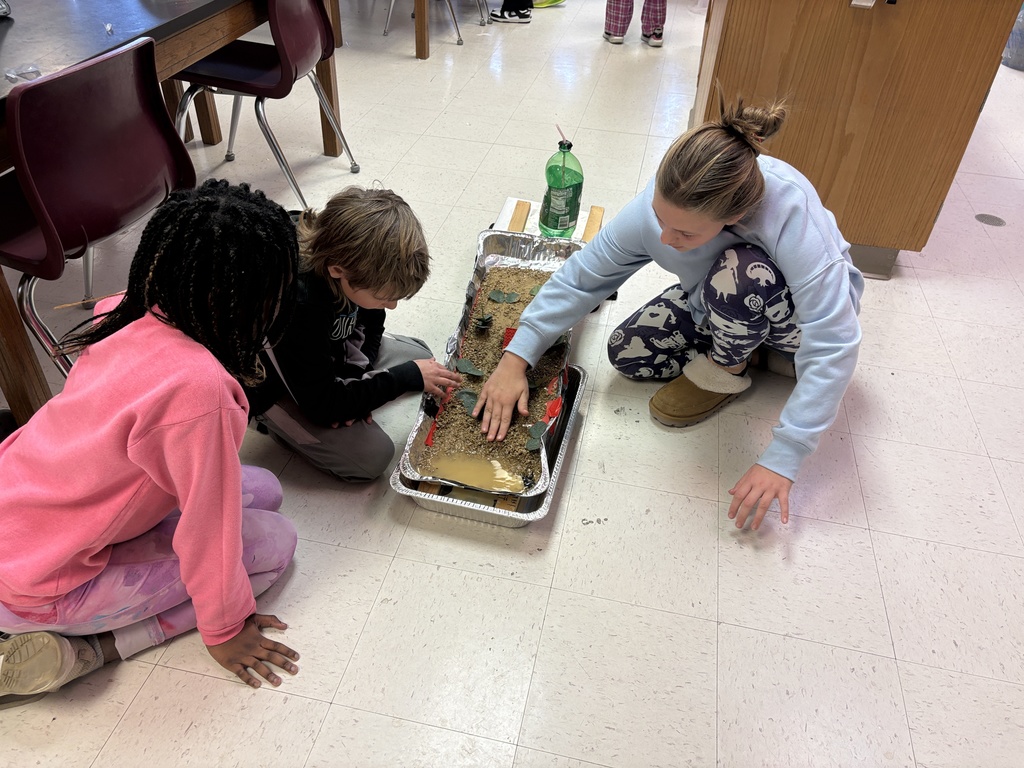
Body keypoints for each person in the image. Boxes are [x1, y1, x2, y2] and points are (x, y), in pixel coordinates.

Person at [474, 96, 864, 531]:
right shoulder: (661, 210)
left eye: (684, 232)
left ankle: (733, 363)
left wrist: (784, 457)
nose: (665, 237)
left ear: (734, 216)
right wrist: (516, 358)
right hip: (718, 299)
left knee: (738, 273)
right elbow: (581, 277)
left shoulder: (790, 212)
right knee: (629, 353)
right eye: (660, 218)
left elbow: (835, 339)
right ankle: (751, 347)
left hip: (794, 324)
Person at [0, 180, 302, 710]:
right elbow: (209, 533)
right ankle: (95, 650)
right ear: (258, 298)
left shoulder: (123, 307)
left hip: (25, 520)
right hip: (34, 586)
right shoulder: (202, 393)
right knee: (275, 544)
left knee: (266, 488)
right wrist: (225, 629)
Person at [247, 186, 462, 482]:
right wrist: (378, 386)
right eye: (385, 297)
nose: (393, 306)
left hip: (324, 352)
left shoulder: (354, 261)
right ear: (338, 271)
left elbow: (372, 322)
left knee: (423, 357)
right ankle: (272, 423)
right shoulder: (296, 304)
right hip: (270, 384)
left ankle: (348, 387)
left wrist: (354, 379)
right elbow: (322, 406)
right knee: (372, 458)